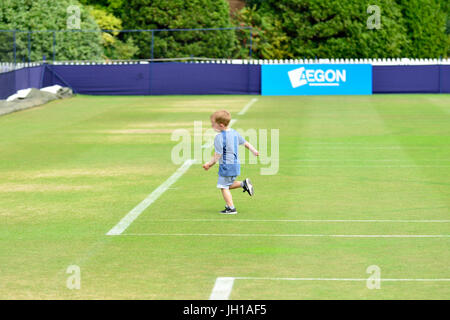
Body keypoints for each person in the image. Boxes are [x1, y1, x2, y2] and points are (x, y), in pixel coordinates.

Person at [203, 110, 259, 214]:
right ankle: (243, 184)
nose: (211, 126)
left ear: (220, 125)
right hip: (236, 165)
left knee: (223, 187)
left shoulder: (219, 137)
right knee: (227, 184)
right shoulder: (234, 132)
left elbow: (217, 154)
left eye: (213, 124)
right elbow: (245, 143)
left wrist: (209, 164)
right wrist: (254, 150)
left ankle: (231, 208)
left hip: (227, 166)